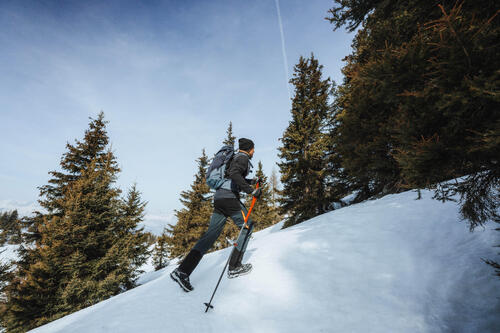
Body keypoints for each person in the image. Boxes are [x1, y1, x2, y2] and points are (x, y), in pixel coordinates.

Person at [170, 138, 262, 292]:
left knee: (209, 237)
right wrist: (250, 191)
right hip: (229, 198)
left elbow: (232, 176)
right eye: (253, 149)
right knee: (247, 227)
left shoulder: (234, 158)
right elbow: (234, 174)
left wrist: (252, 181)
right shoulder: (243, 158)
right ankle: (234, 267)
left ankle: (182, 271)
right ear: (250, 149)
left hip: (219, 198)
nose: (253, 152)